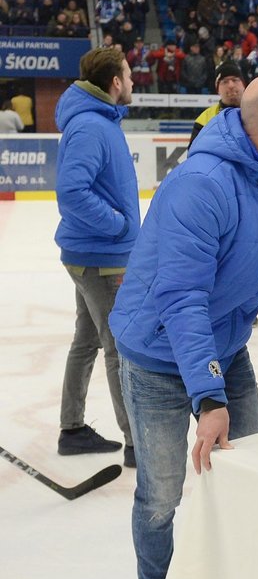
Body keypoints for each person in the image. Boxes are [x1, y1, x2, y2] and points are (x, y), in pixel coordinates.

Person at [109, 74, 258, 579]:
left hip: (225, 345)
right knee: (163, 490)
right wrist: (208, 397)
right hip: (158, 352)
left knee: (247, 477)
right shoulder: (201, 185)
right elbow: (181, 300)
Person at [54, 47, 139, 466]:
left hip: (92, 255)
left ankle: (72, 429)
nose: (133, 80)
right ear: (115, 82)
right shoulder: (91, 126)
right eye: (129, 74)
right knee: (117, 349)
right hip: (102, 258)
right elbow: (72, 192)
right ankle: (137, 443)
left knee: (86, 341)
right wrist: (119, 227)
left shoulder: (98, 121)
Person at [188, 60, 247, 147]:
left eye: (235, 80)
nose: (231, 85)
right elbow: (194, 153)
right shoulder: (205, 118)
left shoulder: (257, 112)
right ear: (218, 89)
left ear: (243, 85)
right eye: (225, 81)